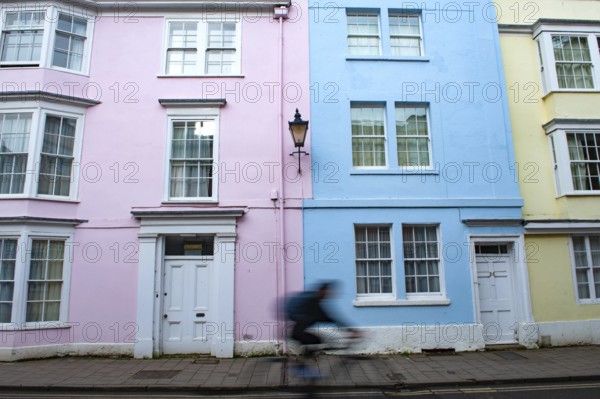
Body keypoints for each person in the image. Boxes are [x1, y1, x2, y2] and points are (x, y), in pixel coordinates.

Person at [285, 281, 361, 378]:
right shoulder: (312, 302)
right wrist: (352, 331)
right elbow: (331, 318)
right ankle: (302, 368)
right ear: (321, 291)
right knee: (316, 341)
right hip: (298, 333)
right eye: (327, 292)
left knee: (316, 343)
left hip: (298, 331)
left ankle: (304, 367)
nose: (329, 294)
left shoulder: (313, 300)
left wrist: (350, 330)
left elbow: (329, 318)